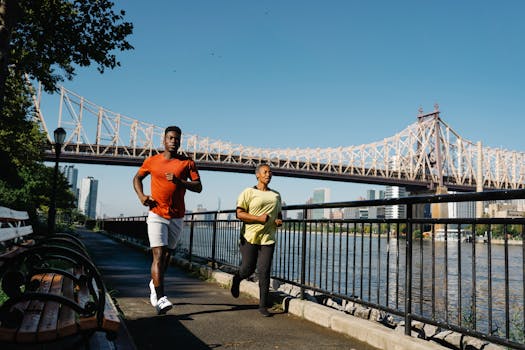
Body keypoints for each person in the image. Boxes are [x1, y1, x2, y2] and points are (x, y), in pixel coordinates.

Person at [133, 125, 202, 315]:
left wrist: (180, 182)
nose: (173, 141)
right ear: (164, 140)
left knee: (167, 257)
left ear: (180, 142)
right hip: (156, 213)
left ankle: (155, 284)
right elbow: (137, 178)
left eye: (177, 139)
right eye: (170, 138)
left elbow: (198, 187)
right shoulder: (152, 161)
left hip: (177, 216)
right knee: (158, 254)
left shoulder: (187, 163)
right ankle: (161, 298)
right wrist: (141, 196)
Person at [230, 163, 283, 317]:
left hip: (268, 238)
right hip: (249, 236)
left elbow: (278, 214)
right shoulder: (248, 192)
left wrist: (279, 221)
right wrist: (258, 219)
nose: (269, 174)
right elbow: (239, 214)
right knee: (247, 269)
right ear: (257, 175)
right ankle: (237, 278)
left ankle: (262, 305)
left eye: (270, 172)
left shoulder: (276, 195)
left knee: (264, 271)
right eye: (265, 172)